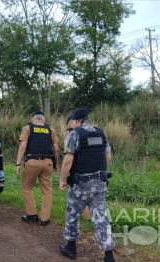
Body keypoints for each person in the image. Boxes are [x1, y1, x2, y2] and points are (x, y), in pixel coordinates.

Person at [59, 108, 116, 262]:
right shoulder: (100, 133)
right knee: (101, 217)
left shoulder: (75, 134)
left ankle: (70, 248)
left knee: (72, 214)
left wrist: (62, 179)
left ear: (77, 121)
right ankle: (108, 256)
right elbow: (108, 157)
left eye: (73, 121)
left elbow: (68, 160)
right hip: (100, 182)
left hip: (81, 184)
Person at [16, 111, 60, 226]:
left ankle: (32, 215)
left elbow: (23, 146)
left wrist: (18, 163)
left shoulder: (27, 128)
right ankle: (45, 219)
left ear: (33, 119)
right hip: (48, 163)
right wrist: (57, 164)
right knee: (47, 190)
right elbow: (56, 148)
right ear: (43, 120)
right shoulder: (51, 130)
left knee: (27, 187)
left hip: (33, 162)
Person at [63, 115, 91, 221]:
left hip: (75, 167)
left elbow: (67, 150)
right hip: (89, 166)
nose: (69, 125)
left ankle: (83, 219)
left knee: (78, 195)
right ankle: (88, 218)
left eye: (69, 122)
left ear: (72, 122)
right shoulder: (90, 132)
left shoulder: (69, 133)